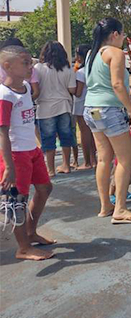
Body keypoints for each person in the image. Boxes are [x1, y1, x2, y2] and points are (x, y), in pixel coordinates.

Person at [83, 17, 131, 224]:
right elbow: (118, 85)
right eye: (123, 34)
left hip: (91, 109)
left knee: (103, 158)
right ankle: (120, 208)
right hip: (110, 109)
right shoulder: (115, 53)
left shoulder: (92, 53)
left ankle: (105, 206)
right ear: (115, 34)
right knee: (125, 159)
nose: (124, 38)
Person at [0, 45, 55, 261]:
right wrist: (9, 166)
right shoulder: (4, 95)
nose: (30, 66)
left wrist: (37, 144)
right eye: (25, 63)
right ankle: (23, 247)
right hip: (15, 155)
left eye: (30, 61)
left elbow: (28, 119)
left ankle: (30, 233)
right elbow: (2, 131)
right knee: (16, 200)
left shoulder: (24, 87)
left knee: (45, 188)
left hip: (31, 150)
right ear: (7, 66)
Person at [34, 41, 77, 176]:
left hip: (45, 107)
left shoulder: (38, 68)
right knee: (66, 137)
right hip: (64, 106)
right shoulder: (68, 69)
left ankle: (51, 169)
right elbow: (72, 89)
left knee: (48, 140)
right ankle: (66, 165)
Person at [73, 44, 96, 170]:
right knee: (94, 131)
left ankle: (87, 161)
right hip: (94, 104)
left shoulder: (81, 72)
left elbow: (78, 92)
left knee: (84, 132)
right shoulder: (94, 69)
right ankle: (94, 159)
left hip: (82, 105)